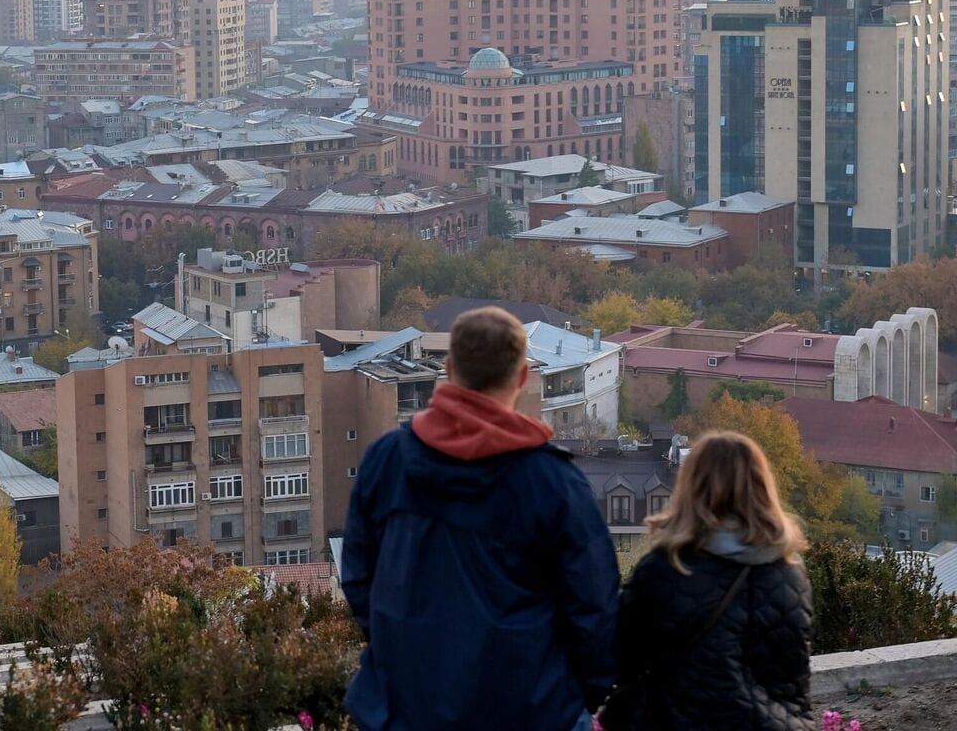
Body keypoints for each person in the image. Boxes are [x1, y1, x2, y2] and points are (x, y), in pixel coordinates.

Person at [341, 307, 618, 731]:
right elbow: (594, 605)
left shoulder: (388, 460)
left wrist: (394, 647)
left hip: (408, 704)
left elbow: (359, 575)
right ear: (523, 376)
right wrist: (582, 693)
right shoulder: (553, 482)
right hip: (530, 707)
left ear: (448, 369)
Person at [601, 431, 815, 731]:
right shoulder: (789, 571)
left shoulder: (666, 567)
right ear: (761, 487)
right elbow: (792, 675)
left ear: (691, 487)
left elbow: (622, 657)